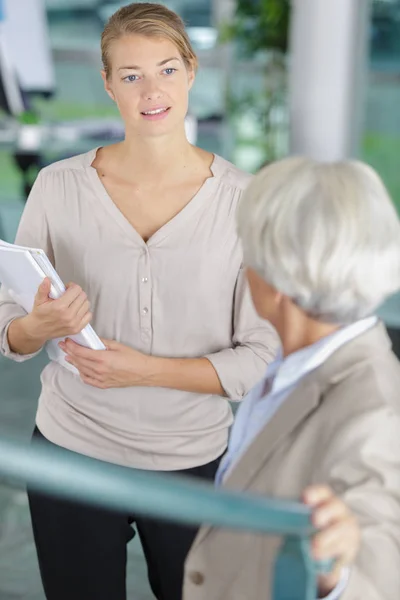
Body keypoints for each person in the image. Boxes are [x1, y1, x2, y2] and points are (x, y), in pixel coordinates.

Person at [0, 4, 278, 600]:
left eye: (167, 69)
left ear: (191, 71)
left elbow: (260, 356)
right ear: (107, 83)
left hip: (194, 464)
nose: (152, 91)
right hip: (72, 454)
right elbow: (8, 325)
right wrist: (34, 326)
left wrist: (144, 372)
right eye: (131, 75)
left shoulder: (245, 203)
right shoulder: (57, 186)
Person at [183, 157, 400, 600]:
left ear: (272, 279)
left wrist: (335, 573)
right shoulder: (297, 363)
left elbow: (378, 563)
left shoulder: (377, 411)